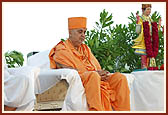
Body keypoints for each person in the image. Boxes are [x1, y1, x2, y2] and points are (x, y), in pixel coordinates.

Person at [49, 17, 130, 111]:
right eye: (80, 32)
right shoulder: (61, 49)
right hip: (80, 79)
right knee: (93, 75)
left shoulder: (85, 48)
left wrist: (101, 73)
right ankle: (96, 110)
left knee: (120, 78)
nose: (83, 35)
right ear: (70, 33)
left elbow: (96, 67)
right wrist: (95, 73)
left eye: (84, 32)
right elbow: (66, 70)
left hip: (95, 77)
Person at [132, 4, 161, 70]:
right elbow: (137, 31)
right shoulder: (141, 18)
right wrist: (137, 22)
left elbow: (154, 30)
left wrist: (159, 26)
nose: (149, 11)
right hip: (144, 40)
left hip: (150, 40)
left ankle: (149, 68)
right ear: (143, 10)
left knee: (150, 55)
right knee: (144, 55)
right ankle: (144, 67)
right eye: (148, 9)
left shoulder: (151, 19)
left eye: (150, 9)